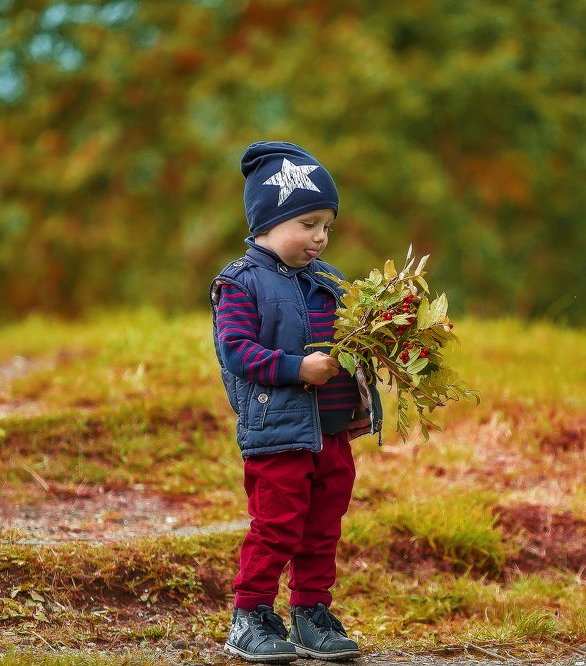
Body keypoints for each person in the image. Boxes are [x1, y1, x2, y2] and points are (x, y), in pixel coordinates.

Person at [208, 141, 383, 663]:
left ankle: (311, 613)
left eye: (327, 225)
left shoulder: (329, 283)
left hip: (330, 433)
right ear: (268, 219)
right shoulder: (240, 283)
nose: (320, 237)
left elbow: (350, 341)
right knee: (278, 524)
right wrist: (295, 367)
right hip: (278, 432)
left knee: (322, 526)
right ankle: (252, 615)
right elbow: (235, 350)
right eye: (308, 223)